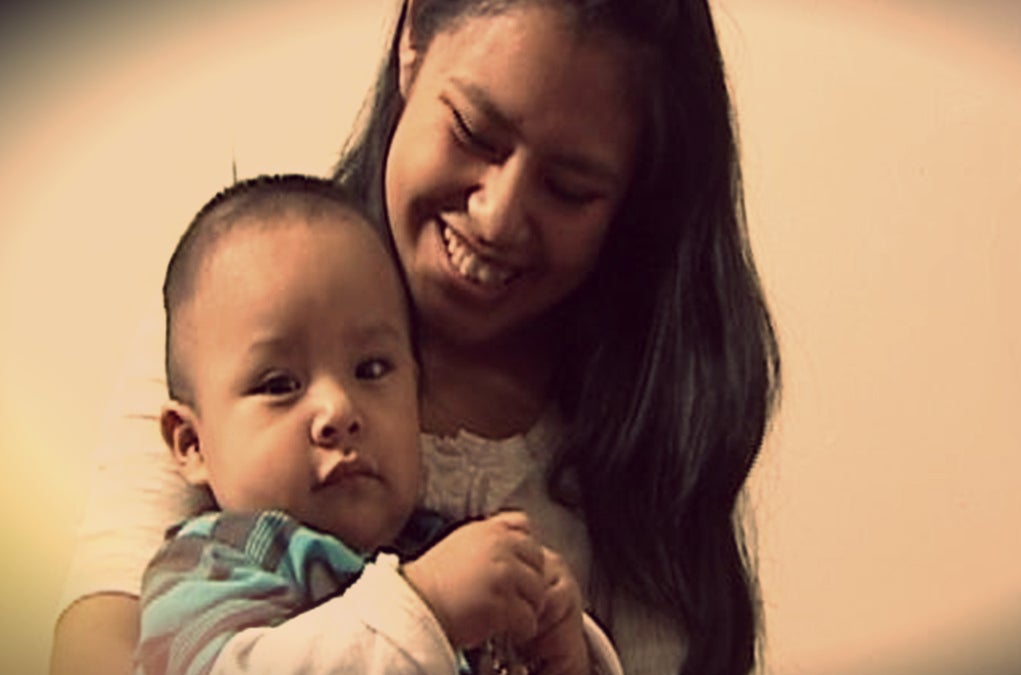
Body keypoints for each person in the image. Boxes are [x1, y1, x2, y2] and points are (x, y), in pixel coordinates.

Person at [51, 1, 780, 674]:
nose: (497, 216)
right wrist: (421, 608)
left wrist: (565, 644)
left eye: (568, 187)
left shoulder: (649, 420)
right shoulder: (234, 315)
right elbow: (104, 647)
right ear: (411, 43)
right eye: (474, 132)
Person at [137, 173, 612, 675]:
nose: (339, 409)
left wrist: (561, 652)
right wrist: (423, 606)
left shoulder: (441, 548)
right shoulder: (212, 567)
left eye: (371, 369)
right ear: (192, 444)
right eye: (280, 385)